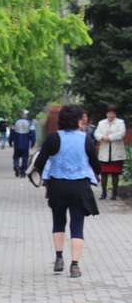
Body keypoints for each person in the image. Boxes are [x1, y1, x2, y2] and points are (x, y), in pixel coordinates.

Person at [34, 105, 101, 278]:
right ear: (78, 119)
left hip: (58, 186)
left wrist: (48, 173)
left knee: (58, 222)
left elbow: (40, 162)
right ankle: (75, 266)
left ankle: (58, 258)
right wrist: (97, 174)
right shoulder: (85, 138)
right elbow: (95, 162)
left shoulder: (53, 138)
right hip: (80, 186)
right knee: (77, 226)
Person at [94, 105, 126, 200]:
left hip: (116, 152)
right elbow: (96, 134)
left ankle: (114, 193)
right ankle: (103, 193)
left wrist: (109, 138)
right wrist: (102, 138)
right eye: (109, 113)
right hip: (104, 152)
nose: (111, 115)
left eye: (113, 113)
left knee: (115, 174)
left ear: (115, 114)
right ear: (106, 114)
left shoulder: (120, 122)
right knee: (104, 173)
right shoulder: (101, 123)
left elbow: (121, 133)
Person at [9, 109, 36, 178]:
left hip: (17, 143)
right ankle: (22, 173)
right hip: (25, 144)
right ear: (24, 114)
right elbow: (33, 134)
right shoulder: (29, 123)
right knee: (25, 158)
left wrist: (10, 142)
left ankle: (16, 166)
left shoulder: (15, 122)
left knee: (16, 157)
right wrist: (32, 143)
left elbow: (12, 133)